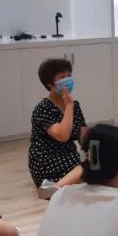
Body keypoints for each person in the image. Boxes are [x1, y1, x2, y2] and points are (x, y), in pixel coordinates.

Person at [29, 58, 89, 199]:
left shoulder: (74, 105)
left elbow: (83, 137)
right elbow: (62, 135)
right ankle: (54, 187)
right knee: (88, 169)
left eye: (69, 76)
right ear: (50, 83)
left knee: (99, 163)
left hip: (69, 156)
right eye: (62, 77)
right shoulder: (43, 108)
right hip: (46, 159)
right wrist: (69, 107)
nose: (67, 80)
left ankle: (58, 186)